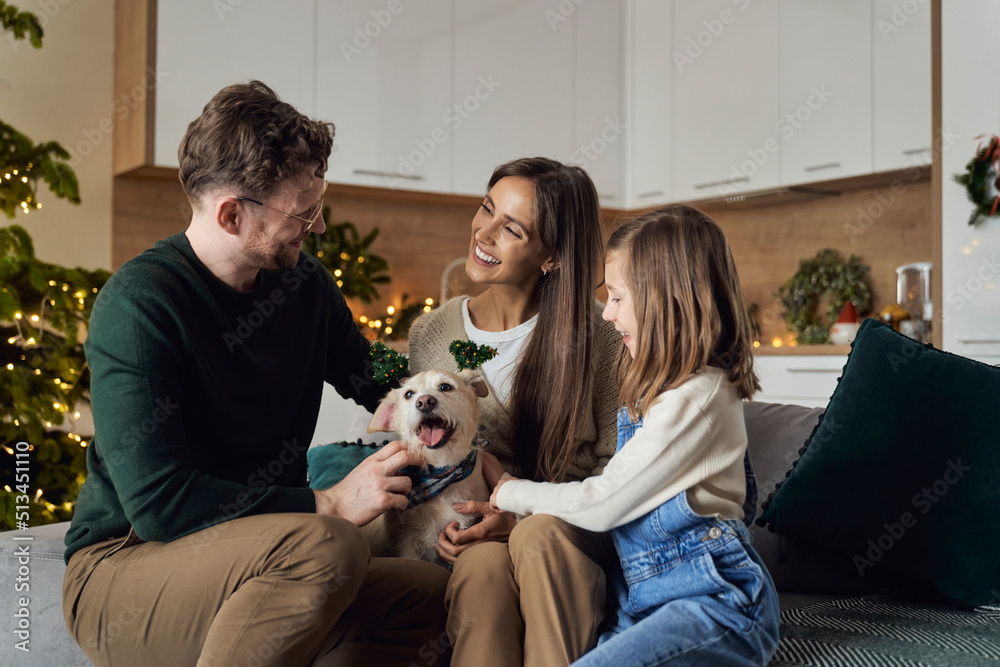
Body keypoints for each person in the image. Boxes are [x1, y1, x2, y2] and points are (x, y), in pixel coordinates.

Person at [61, 81, 450, 667]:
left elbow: (379, 375)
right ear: (232, 213)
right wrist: (328, 504)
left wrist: (462, 422)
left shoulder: (305, 286)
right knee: (329, 542)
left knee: (431, 596)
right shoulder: (139, 306)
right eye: (304, 210)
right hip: (128, 567)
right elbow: (161, 504)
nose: (316, 227)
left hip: (266, 558)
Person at [491, 205, 781, 666]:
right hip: (642, 599)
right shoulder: (653, 389)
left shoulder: (698, 396)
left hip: (712, 602)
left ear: (669, 299)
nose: (607, 314)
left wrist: (510, 492)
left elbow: (604, 502)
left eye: (619, 298)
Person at [406, 157, 622, 667]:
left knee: (526, 542)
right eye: (486, 209)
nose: (485, 232)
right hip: (469, 542)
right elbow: (419, 453)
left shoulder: (604, 337)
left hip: (563, 536)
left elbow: (618, 472)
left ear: (551, 255)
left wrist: (518, 515)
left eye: (512, 228)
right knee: (481, 568)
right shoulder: (432, 333)